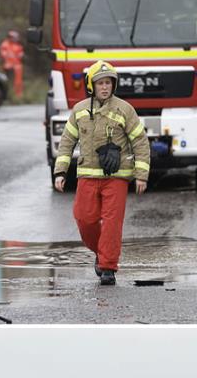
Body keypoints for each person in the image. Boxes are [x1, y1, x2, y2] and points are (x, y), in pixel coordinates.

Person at [53, 60, 151, 286]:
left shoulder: (125, 110)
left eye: (108, 83)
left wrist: (141, 175)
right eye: (100, 83)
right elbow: (67, 143)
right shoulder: (79, 111)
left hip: (116, 177)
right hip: (87, 176)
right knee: (84, 219)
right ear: (92, 85)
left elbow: (140, 143)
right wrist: (60, 172)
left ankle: (107, 267)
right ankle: (101, 252)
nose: (105, 87)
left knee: (112, 223)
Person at [0, 30, 25, 98]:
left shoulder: (18, 46)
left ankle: (18, 95)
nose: (15, 39)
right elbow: (3, 54)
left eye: (16, 37)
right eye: (13, 37)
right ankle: (7, 95)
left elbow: (21, 55)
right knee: (6, 81)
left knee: (18, 81)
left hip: (17, 66)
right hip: (8, 66)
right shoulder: (5, 44)